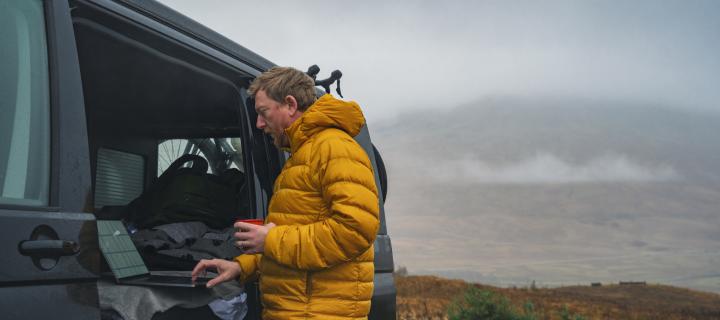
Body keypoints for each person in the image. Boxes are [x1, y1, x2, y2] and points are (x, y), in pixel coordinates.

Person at [192, 66, 380, 319]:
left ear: (290, 105)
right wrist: (240, 266)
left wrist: (270, 239)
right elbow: (292, 246)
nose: (259, 123)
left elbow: (355, 231)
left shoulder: (334, 148)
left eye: (263, 112)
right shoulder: (301, 154)